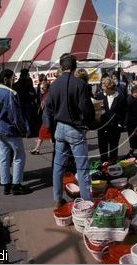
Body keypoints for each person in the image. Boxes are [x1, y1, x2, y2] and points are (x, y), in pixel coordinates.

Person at [45, 53, 94, 209]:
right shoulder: (80, 84)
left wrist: (51, 130)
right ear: (74, 67)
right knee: (82, 168)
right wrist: (87, 123)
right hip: (75, 129)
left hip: (59, 128)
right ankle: (87, 202)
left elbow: (48, 111)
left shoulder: (53, 85)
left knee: (58, 167)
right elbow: (86, 110)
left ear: (61, 66)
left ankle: (57, 199)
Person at [0, 69, 32, 196]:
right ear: (6, 79)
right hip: (10, 129)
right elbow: (15, 116)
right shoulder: (10, 94)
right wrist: (23, 129)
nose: (13, 81)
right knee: (19, 156)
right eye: (12, 79)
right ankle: (16, 185)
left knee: (4, 157)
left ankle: (6, 185)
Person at [97, 77, 126, 163]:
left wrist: (121, 124)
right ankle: (104, 166)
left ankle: (113, 166)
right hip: (102, 127)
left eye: (104, 88)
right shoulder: (100, 96)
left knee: (114, 148)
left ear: (109, 87)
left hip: (115, 128)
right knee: (103, 149)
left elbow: (124, 112)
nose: (103, 89)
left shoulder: (120, 97)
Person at [30, 81, 52, 155]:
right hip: (46, 119)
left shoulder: (49, 96)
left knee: (50, 136)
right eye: (40, 88)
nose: (41, 90)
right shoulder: (44, 95)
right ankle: (37, 149)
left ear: (47, 88)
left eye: (43, 88)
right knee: (42, 134)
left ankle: (37, 149)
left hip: (49, 119)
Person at [13, 68, 37, 137]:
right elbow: (31, 91)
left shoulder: (23, 82)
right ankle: (28, 131)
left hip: (22, 101)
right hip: (25, 101)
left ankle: (26, 131)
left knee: (24, 117)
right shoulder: (27, 82)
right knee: (27, 117)